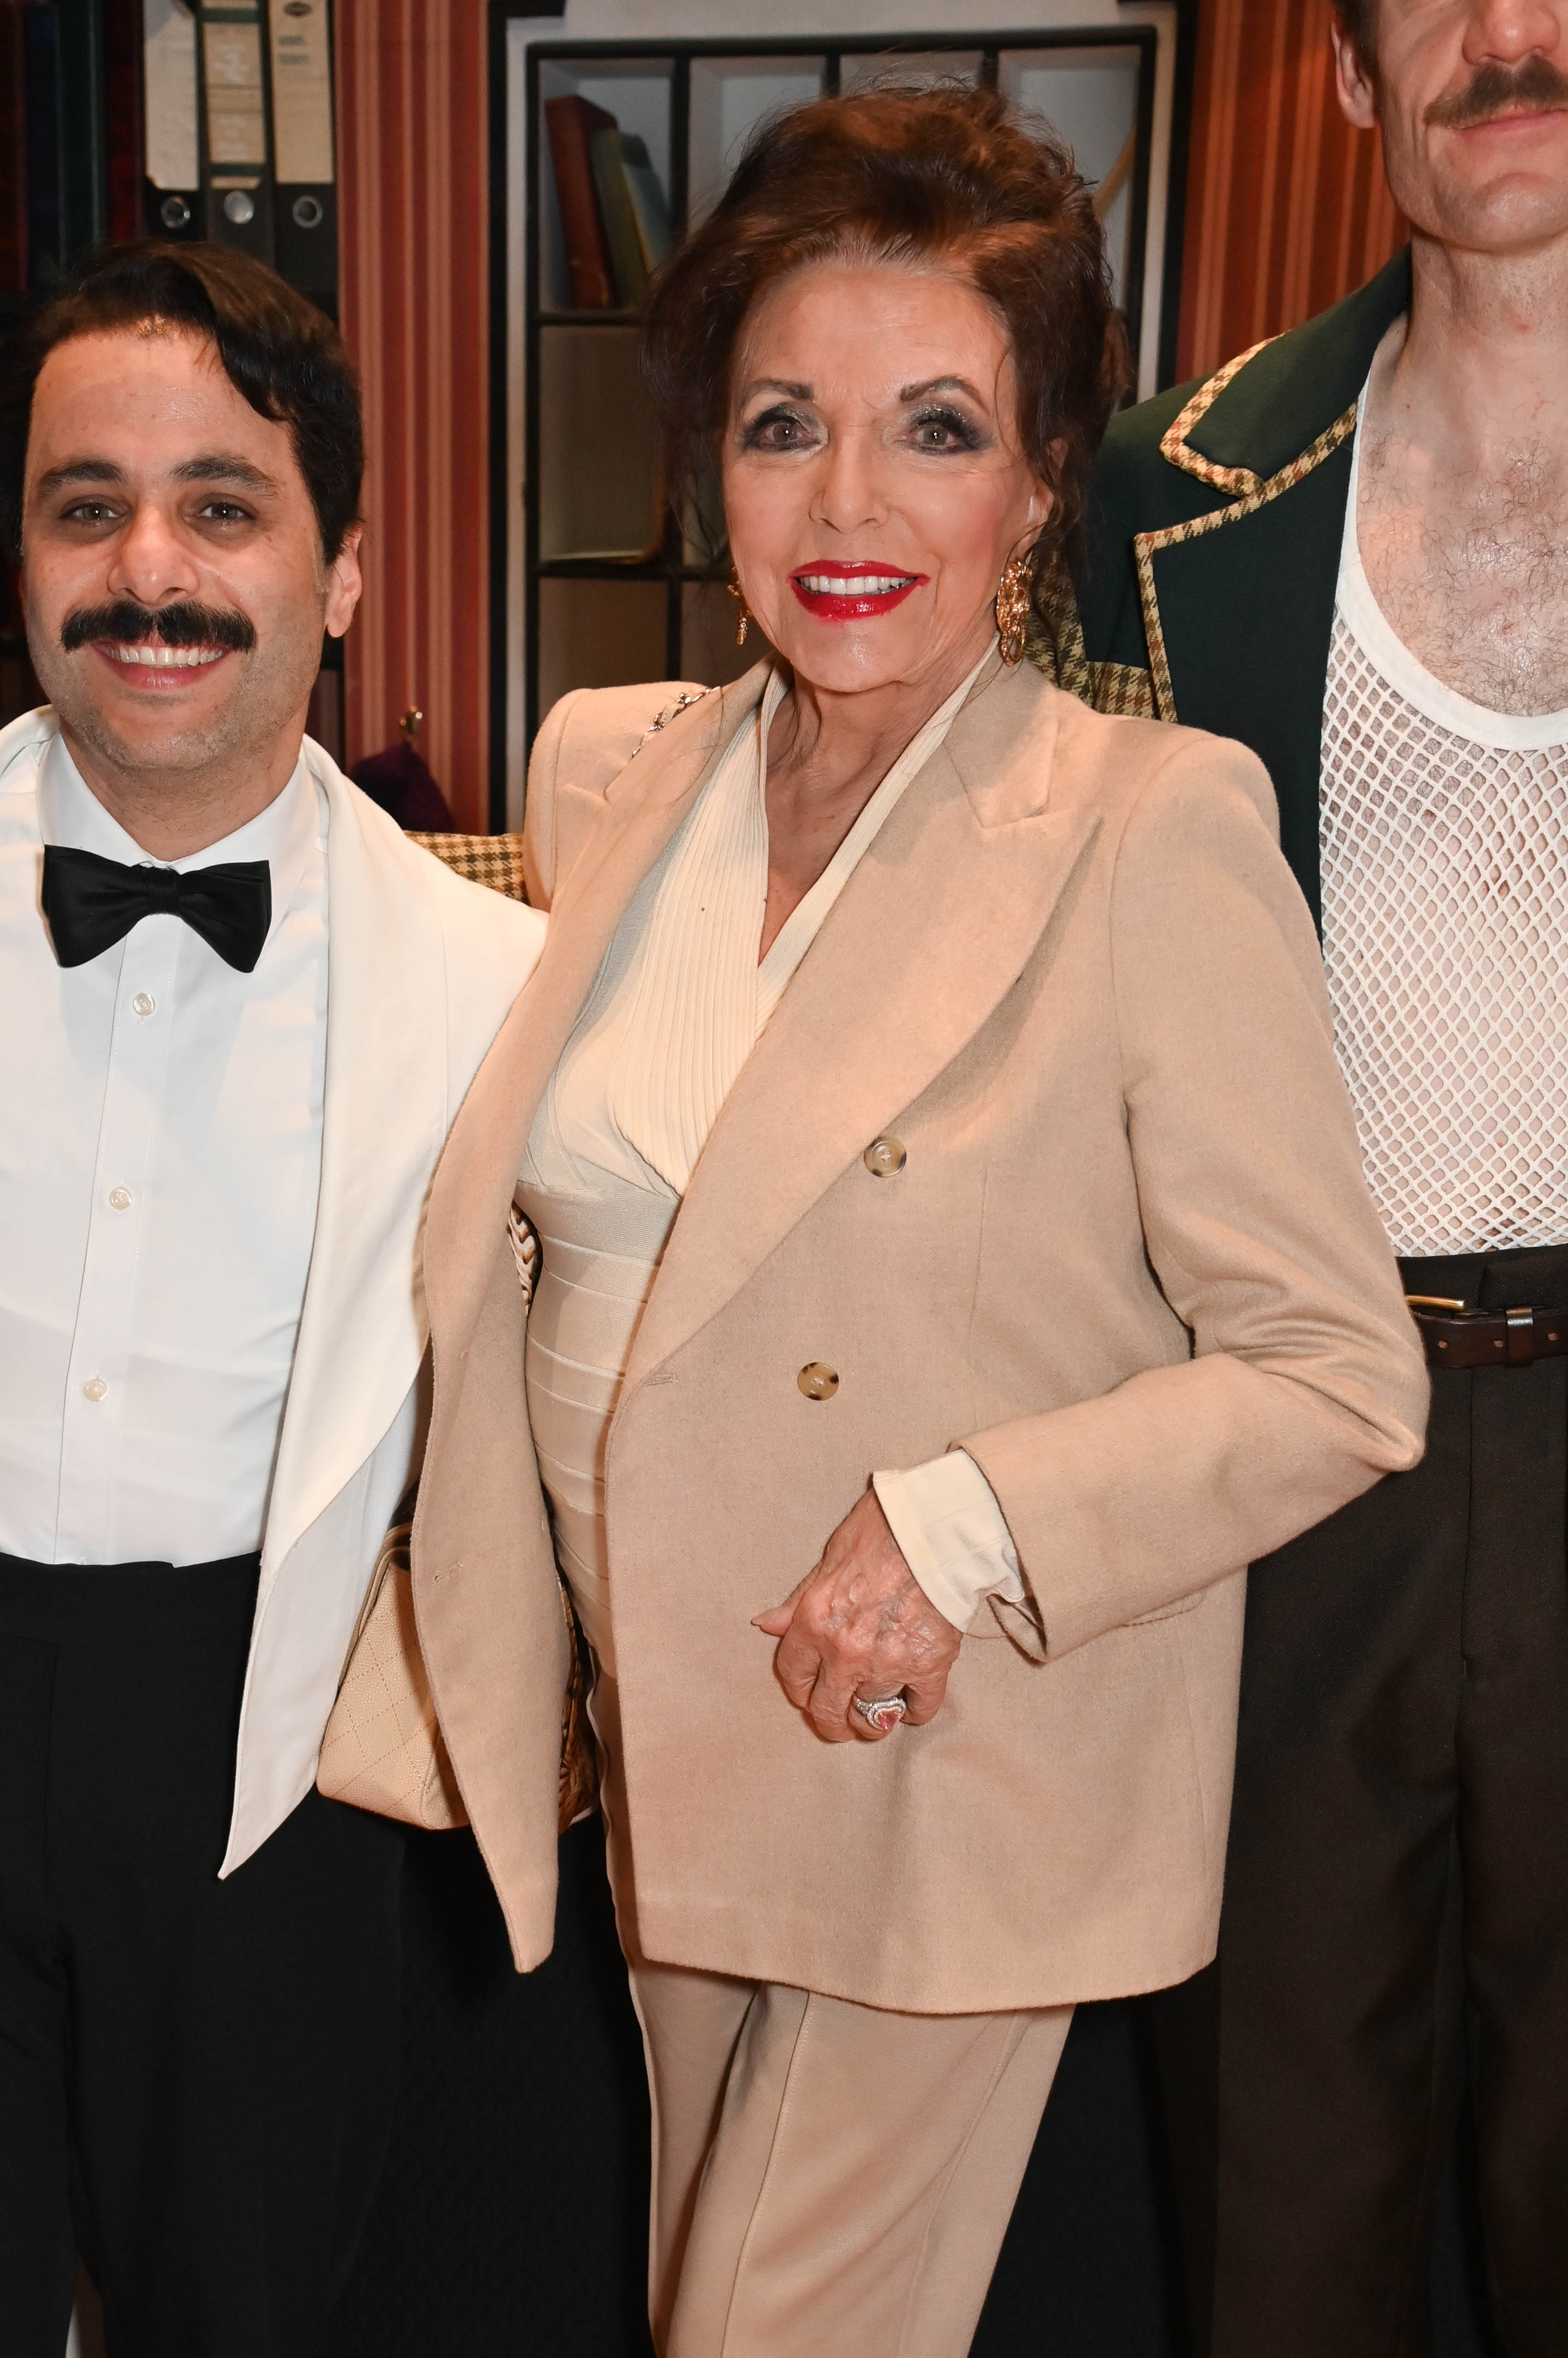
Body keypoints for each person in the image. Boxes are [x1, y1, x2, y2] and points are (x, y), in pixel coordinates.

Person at [401, 87, 1427, 2358]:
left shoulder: (1148, 831)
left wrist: (959, 1522)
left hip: (926, 1750)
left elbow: (1339, 1367)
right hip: (655, 1740)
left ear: (1045, 475)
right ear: (706, 456)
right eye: (784, 423)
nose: (849, 505)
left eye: (935, 428)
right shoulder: (610, 776)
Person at [1046, 3, 1568, 2351]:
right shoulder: (1166, 495)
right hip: (1290, 1436)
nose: (1515, 32)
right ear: (1353, 82)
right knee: (1280, 2203)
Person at [0, 243, 544, 2357]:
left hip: (271, 1736)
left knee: (245, 2311)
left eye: (221, 505)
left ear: (338, 566)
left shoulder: (497, 981)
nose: (150, 567)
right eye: (85, 502)